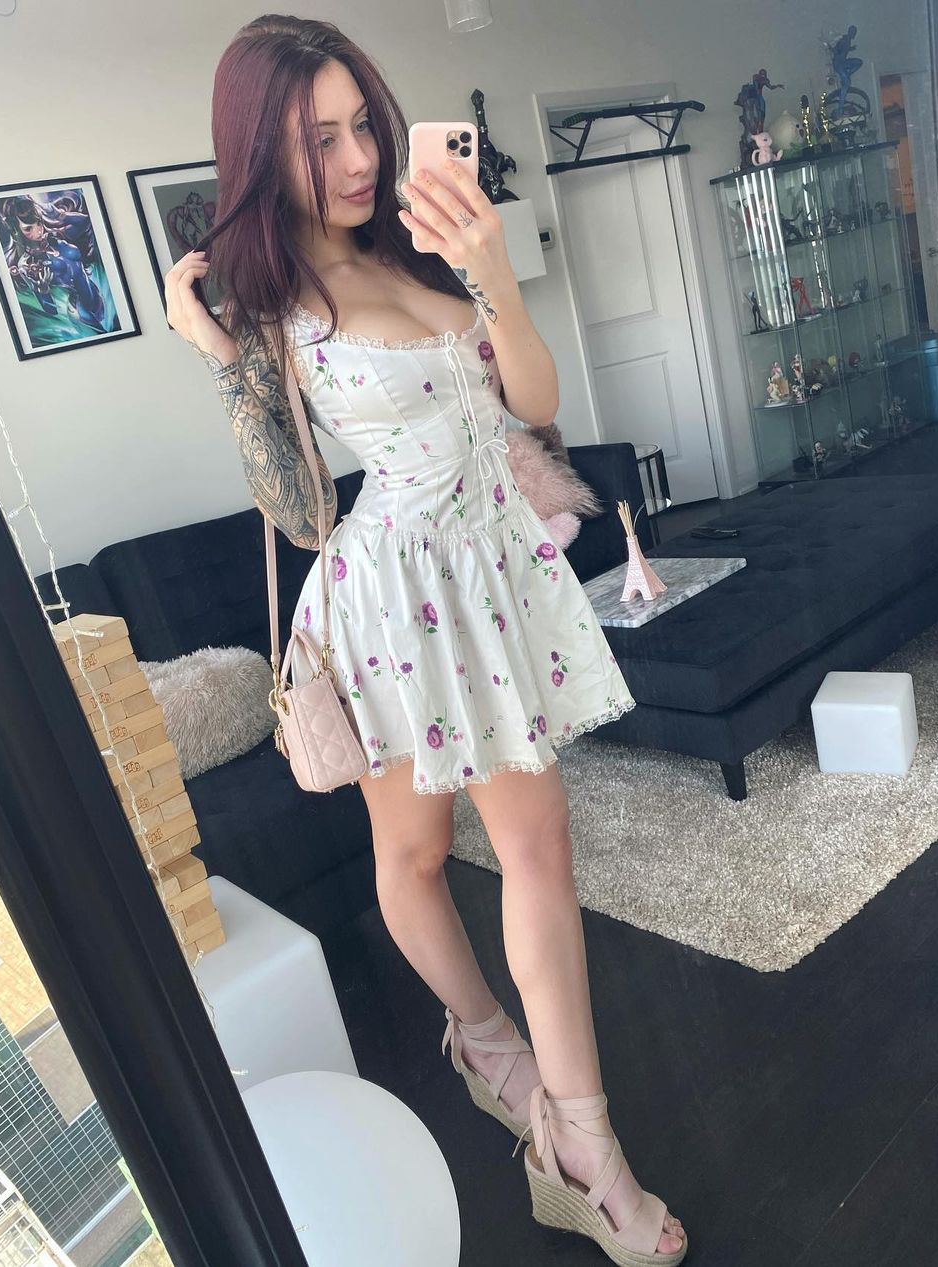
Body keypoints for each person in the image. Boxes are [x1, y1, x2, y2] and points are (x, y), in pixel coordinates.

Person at [164, 14, 686, 1264]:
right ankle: (489, 1045)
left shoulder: (418, 245)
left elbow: (535, 405)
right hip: (391, 595)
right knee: (411, 851)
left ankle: (580, 1146)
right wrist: (220, 358)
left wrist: (495, 271)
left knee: (536, 841)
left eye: (365, 125)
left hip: (493, 568)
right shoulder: (269, 301)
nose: (356, 159)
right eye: (320, 139)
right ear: (262, 150)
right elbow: (300, 510)